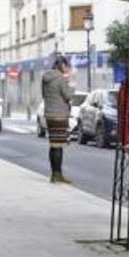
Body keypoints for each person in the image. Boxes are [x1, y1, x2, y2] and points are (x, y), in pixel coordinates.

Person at [41, 55, 76, 183]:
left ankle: (54, 174)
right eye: (66, 66)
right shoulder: (61, 79)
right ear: (62, 65)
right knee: (59, 145)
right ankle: (57, 175)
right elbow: (68, 96)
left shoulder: (45, 78)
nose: (67, 69)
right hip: (60, 115)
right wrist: (71, 85)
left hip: (49, 114)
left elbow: (44, 95)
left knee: (53, 145)